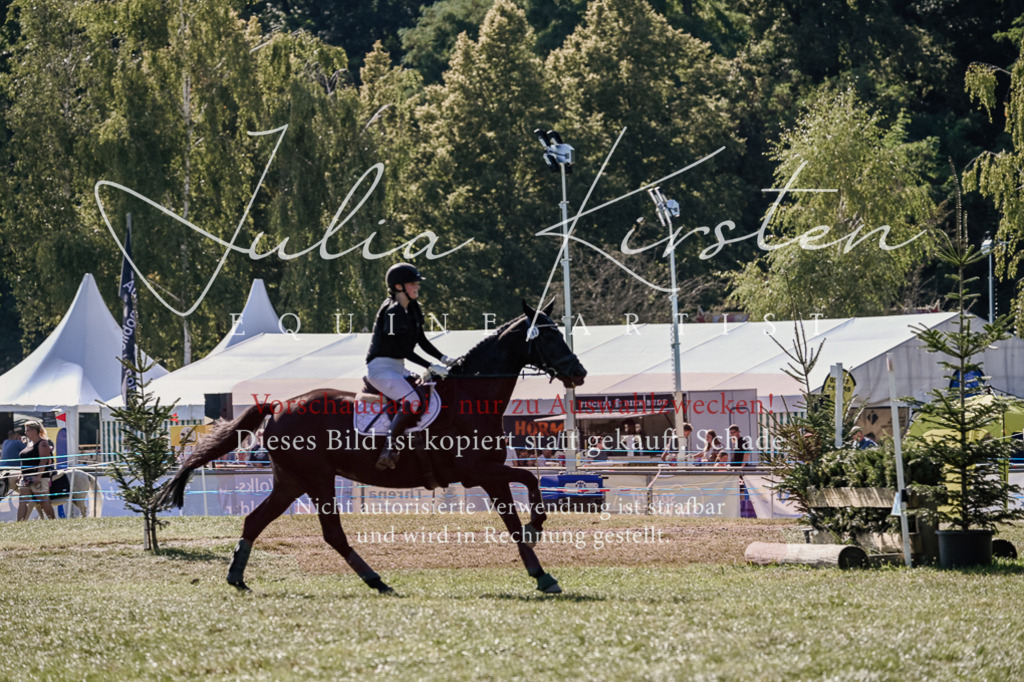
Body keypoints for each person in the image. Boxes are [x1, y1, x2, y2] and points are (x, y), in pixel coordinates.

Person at [367, 263, 455, 471]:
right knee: (413, 402)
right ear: (398, 286)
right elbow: (404, 349)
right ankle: (388, 450)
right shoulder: (392, 312)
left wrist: (444, 358)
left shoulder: (413, 308)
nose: (417, 286)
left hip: (398, 367)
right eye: (413, 283)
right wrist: (430, 364)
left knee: (430, 391)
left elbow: (421, 341)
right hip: (381, 369)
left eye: (417, 283)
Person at [17, 421, 56, 521]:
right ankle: (19, 524)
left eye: (28, 431)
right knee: (22, 501)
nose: (26, 433)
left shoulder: (42, 443)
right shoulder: (29, 443)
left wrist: (38, 476)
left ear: (34, 431)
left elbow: (44, 461)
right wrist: (21, 474)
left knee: (43, 501)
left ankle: (53, 521)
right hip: (26, 478)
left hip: (40, 477)